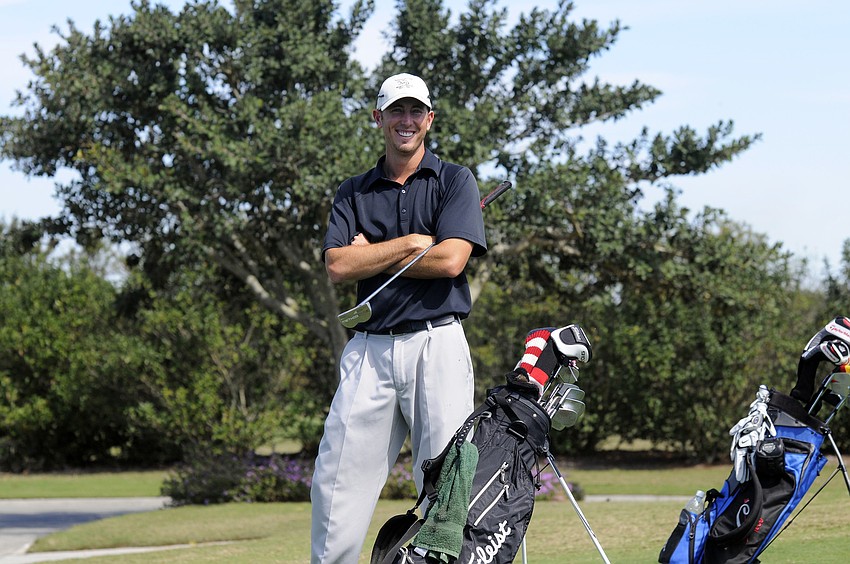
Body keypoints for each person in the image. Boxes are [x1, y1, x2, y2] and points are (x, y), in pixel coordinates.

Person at [311, 72, 488, 563]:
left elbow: (452, 261)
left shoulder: (456, 180)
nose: (405, 121)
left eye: (415, 111)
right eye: (395, 111)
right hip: (369, 349)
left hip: (438, 345)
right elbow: (338, 265)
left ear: (429, 119)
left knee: (446, 487)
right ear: (378, 118)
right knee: (335, 485)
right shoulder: (352, 192)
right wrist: (412, 245)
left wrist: (374, 253)